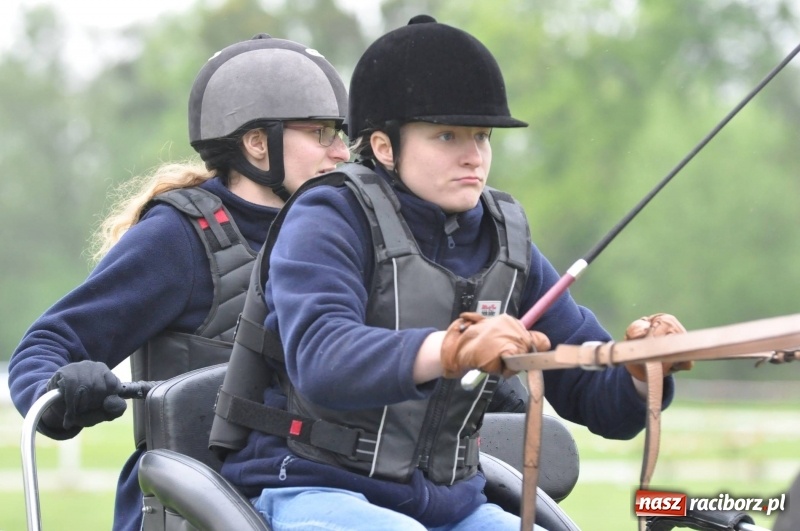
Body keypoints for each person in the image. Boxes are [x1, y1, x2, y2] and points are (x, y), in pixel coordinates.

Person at [219, 15, 692, 531]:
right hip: (313, 487)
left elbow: (598, 403)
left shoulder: (505, 240)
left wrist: (640, 373)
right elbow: (323, 358)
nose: (474, 157)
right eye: (447, 135)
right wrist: (451, 350)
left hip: (452, 506)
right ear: (383, 146)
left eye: (482, 136)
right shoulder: (328, 217)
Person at [7, 34, 350, 531]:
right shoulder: (180, 238)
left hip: (324, 491)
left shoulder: (347, 235)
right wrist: (62, 389)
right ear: (258, 144)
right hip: (196, 505)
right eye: (320, 132)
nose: (341, 150)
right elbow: (46, 344)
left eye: (340, 133)